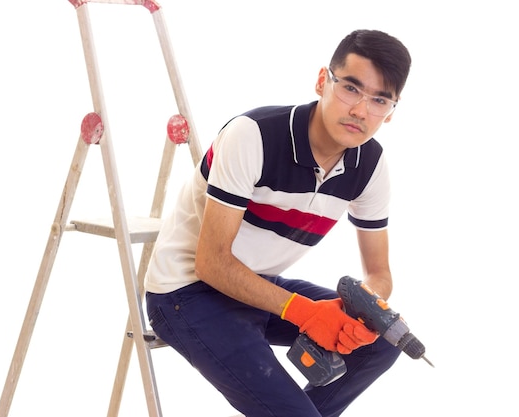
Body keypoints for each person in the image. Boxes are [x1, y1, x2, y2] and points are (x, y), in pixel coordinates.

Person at [144, 29, 412, 417]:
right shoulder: (253, 136)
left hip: (257, 288)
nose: (360, 111)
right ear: (323, 80)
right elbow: (212, 263)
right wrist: (307, 313)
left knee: (384, 341)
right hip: (186, 294)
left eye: (379, 100)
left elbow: (379, 272)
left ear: (391, 110)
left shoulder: (370, 166)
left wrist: (366, 310)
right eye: (351, 89)